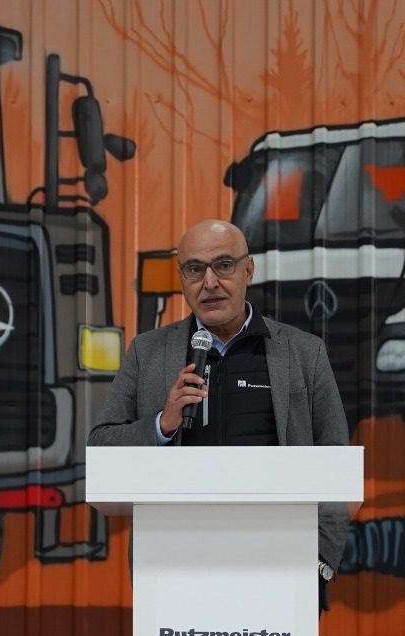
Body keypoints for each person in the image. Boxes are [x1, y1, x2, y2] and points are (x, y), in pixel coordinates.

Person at [88, 219, 350, 607]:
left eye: (223, 265)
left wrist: (320, 562)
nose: (209, 282)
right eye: (195, 269)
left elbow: (336, 466)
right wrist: (164, 423)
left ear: (248, 270)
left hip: (282, 570)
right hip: (175, 572)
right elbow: (101, 446)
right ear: (182, 279)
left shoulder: (302, 353)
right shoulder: (148, 352)